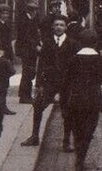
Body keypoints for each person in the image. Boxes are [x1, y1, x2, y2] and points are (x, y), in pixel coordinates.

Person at [23, 15, 75, 151]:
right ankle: (34, 136)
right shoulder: (47, 43)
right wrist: (38, 83)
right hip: (49, 82)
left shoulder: (72, 43)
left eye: (61, 25)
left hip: (66, 82)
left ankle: (66, 141)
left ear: (65, 27)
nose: (59, 27)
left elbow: (75, 64)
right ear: (52, 27)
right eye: (56, 25)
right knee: (38, 106)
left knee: (67, 112)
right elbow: (41, 64)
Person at [62, 45, 102, 171]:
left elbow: (66, 80)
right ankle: (79, 166)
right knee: (87, 133)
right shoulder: (99, 59)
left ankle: (79, 165)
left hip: (75, 100)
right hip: (93, 100)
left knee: (77, 132)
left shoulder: (73, 59)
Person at [15, 1, 43, 105]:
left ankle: (25, 94)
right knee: (27, 72)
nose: (35, 12)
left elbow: (35, 34)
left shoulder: (32, 20)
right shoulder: (24, 21)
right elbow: (26, 37)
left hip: (31, 50)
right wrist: (36, 46)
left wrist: (39, 43)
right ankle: (24, 96)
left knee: (30, 72)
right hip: (26, 50)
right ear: (29, 11)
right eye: (33, 10)